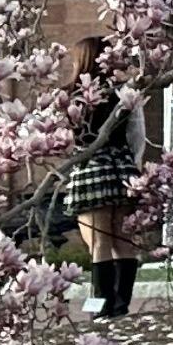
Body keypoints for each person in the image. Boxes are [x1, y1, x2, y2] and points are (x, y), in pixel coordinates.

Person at [55, 46, 148, 320]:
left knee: (99, 241)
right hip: (122, 168)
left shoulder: (69, 96)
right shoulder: (123, 94)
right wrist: (134, 166)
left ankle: (102, 303)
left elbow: (62, 140)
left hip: (90, 167)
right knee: (122, 239)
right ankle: (120, 304)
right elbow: (137, 135)